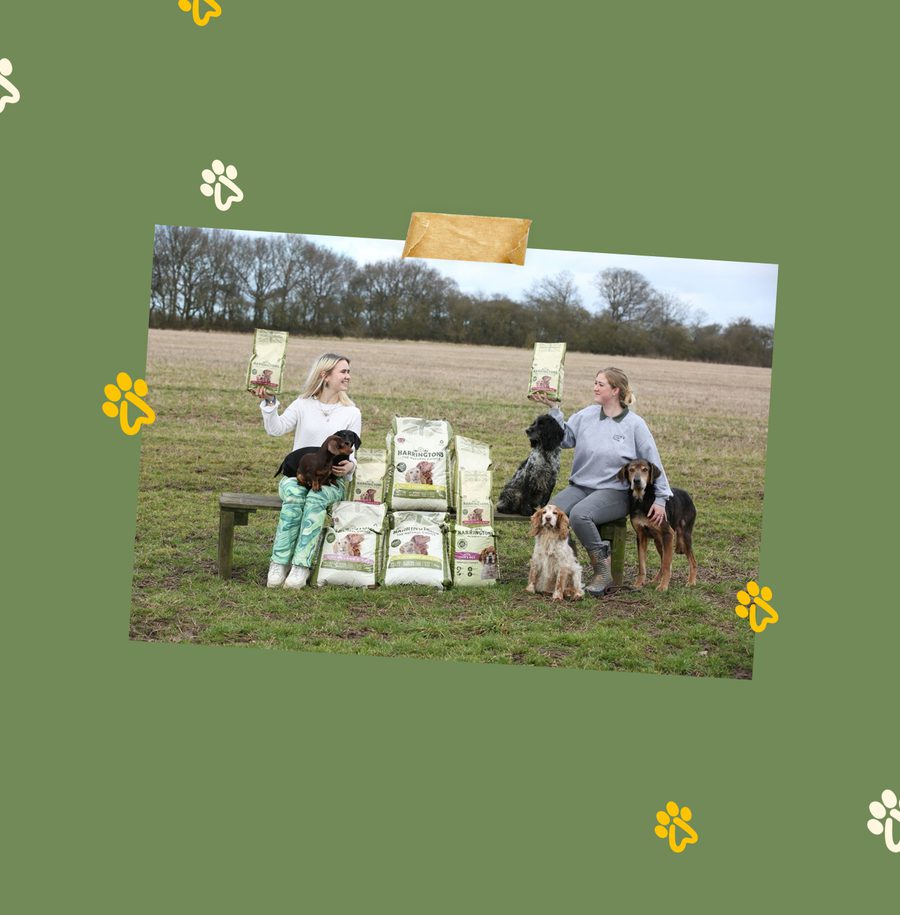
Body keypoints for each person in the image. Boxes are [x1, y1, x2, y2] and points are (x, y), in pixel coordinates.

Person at [530, 367, 672, 597]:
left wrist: (662, 499)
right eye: (595, 382)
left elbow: (654, 462)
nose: (595, 387)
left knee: (580, 515)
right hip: (581, 486)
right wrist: (554, 410)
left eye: (601, 384)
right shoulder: (586, 415)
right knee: (552, 514)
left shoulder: (635, 424)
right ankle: (568, 572)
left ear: (615, 390)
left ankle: (602, 571)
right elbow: (564, 439)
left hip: (613, 492)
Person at [254, 353, 362, 589]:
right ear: (325, 375)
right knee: (294, 494)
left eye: (348, 372)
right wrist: (270, 404)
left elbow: (352, 455)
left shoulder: (351, 412)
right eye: (343, 372)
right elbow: (276, 429)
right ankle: (279, 562)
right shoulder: (302, 405)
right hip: (299, 476)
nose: (348, 377)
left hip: (331, 482)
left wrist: (350, 467)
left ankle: (301, 566)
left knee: (315, 498)